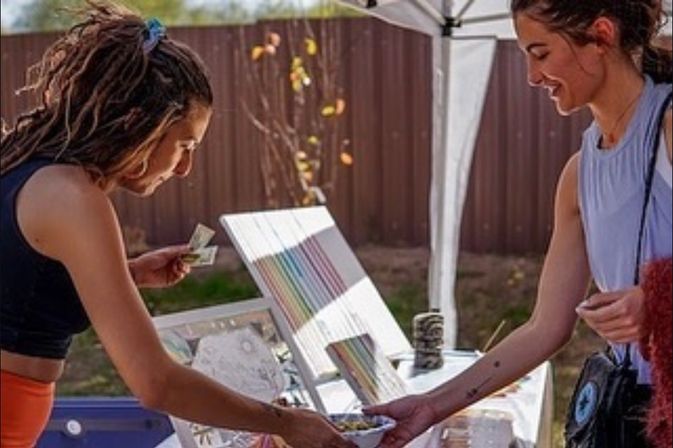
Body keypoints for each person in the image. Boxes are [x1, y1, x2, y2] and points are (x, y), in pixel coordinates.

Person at [0, 2, 356, 448]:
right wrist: (285, 422)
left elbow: (20, 290)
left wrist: (127, 274)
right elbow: (157, 383)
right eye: (185, 144)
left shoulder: (26, 167)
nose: (186, 167)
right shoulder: (74, 199)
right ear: (139, 124)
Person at [366, 1, 672, 446]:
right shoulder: (578, 174)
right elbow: (545, 327)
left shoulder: (667, 131)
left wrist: (657, 299)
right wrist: (431, 406)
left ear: (601, 36)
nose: (531, 76)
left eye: (542, 53)